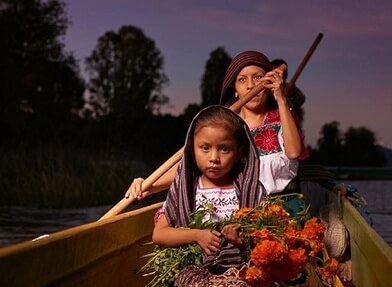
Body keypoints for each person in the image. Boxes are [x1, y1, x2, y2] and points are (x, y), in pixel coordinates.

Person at [132, 105, 300, 287]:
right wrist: (196, 235)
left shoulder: (248, 189)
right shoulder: (185, 189)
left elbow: (261, 237)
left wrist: (241, 238)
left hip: (239, 268)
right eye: (205, 148)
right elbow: (160, 234)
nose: (213, 157)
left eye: (224, 149)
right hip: (197, 269)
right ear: (192, 149)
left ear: (239, 153)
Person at [125, 50, 308, 200]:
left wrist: (281, 99)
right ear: (235, 90)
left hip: (287, 202)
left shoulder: (282, 115)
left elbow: (293, 152)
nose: (251, 86)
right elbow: (193, 161)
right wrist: (150, 185)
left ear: (267, 85)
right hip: (245, 206)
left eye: (258, 77)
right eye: (242, 80)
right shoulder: (228, 125)